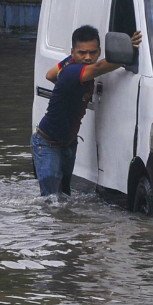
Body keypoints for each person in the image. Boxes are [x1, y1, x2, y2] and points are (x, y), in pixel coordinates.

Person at [32, 24, 142, 196]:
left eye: (93, 52)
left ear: (99, 51)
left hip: (68, 143)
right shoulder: (72, 71)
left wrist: (69, 91)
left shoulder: (69, 63)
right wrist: (127, 51)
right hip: (47, 144)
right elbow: (98, 68)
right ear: (73, 52)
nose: (88, 57)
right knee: (50, 201)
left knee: (65, 197)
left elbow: (50, 75)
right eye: (82, 53)